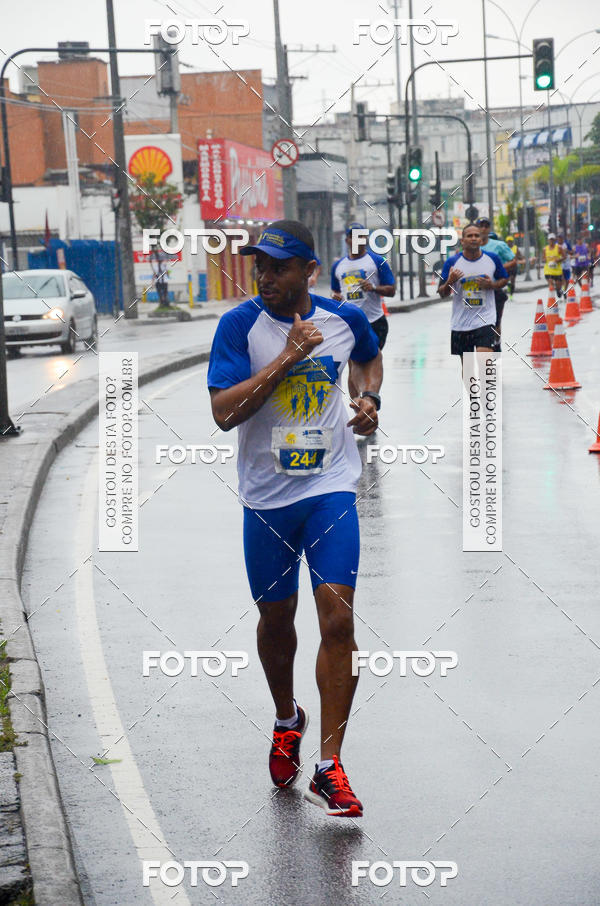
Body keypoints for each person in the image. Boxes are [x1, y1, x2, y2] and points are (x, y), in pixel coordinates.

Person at [207, 220, 383, 818]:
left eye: (279, 267)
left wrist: (368, 398)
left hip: (330, 488)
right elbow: (224, 413)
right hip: (267, 499)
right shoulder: (239, 327)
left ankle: (330, 767)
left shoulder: (345, 318)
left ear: (309, 270)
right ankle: (287, 719)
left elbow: (369, 360)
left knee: (338, 620)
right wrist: (288, 357)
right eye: (260, 265)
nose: (265, 276)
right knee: (276, 622)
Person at [331, 222, 395, 399]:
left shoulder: (377, 262)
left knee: (372, 359)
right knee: (353, 364)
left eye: (361, 236)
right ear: (347, 240)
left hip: (375, 322)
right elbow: (335, 292)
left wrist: (373, 288)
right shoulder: (338, 266)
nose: (357, 240)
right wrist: (335, 298)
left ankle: (369, 399)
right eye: (353, 236)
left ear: (366, 239)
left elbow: (391, 290)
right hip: (350, 323)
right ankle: (358, 404)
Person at [438, 223, 508, 362]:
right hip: (461, 322)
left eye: (476, 235)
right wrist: (450, 281)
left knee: (485, 362)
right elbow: (442, 293)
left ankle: (488, 377)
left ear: (481, 240)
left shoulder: (492, 259)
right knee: (468, 368)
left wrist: (491, 285)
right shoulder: (452, 262)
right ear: (462, 241)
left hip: (485, 320)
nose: (474, 238)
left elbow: (504, 279)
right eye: (469, 236)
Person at [476, 217, 515, 351]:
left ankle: (495, 344)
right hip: (475, 292)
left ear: (489, 229)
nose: (483, 228)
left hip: (495, 289)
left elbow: (513, 261)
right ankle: (482, 350)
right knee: (475, 324)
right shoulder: (471, 247)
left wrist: (498, 268)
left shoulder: (498, 246)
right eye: (481, 226)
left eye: (486, 226)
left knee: (495, 323)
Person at [543, 232, 567, 297]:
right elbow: (543, 258)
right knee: (551, 284)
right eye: (550, 240)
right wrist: (545, 259)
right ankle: (552, 299)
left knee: (558, 289)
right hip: (548, 270)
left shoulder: (559, 248)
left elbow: (564, 257)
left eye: (553, 239)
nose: (551, 241)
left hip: (557, 271)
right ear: (548, 240)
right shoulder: (545, 249)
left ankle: (559, 291)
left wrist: (558, 260)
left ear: (555, 240)